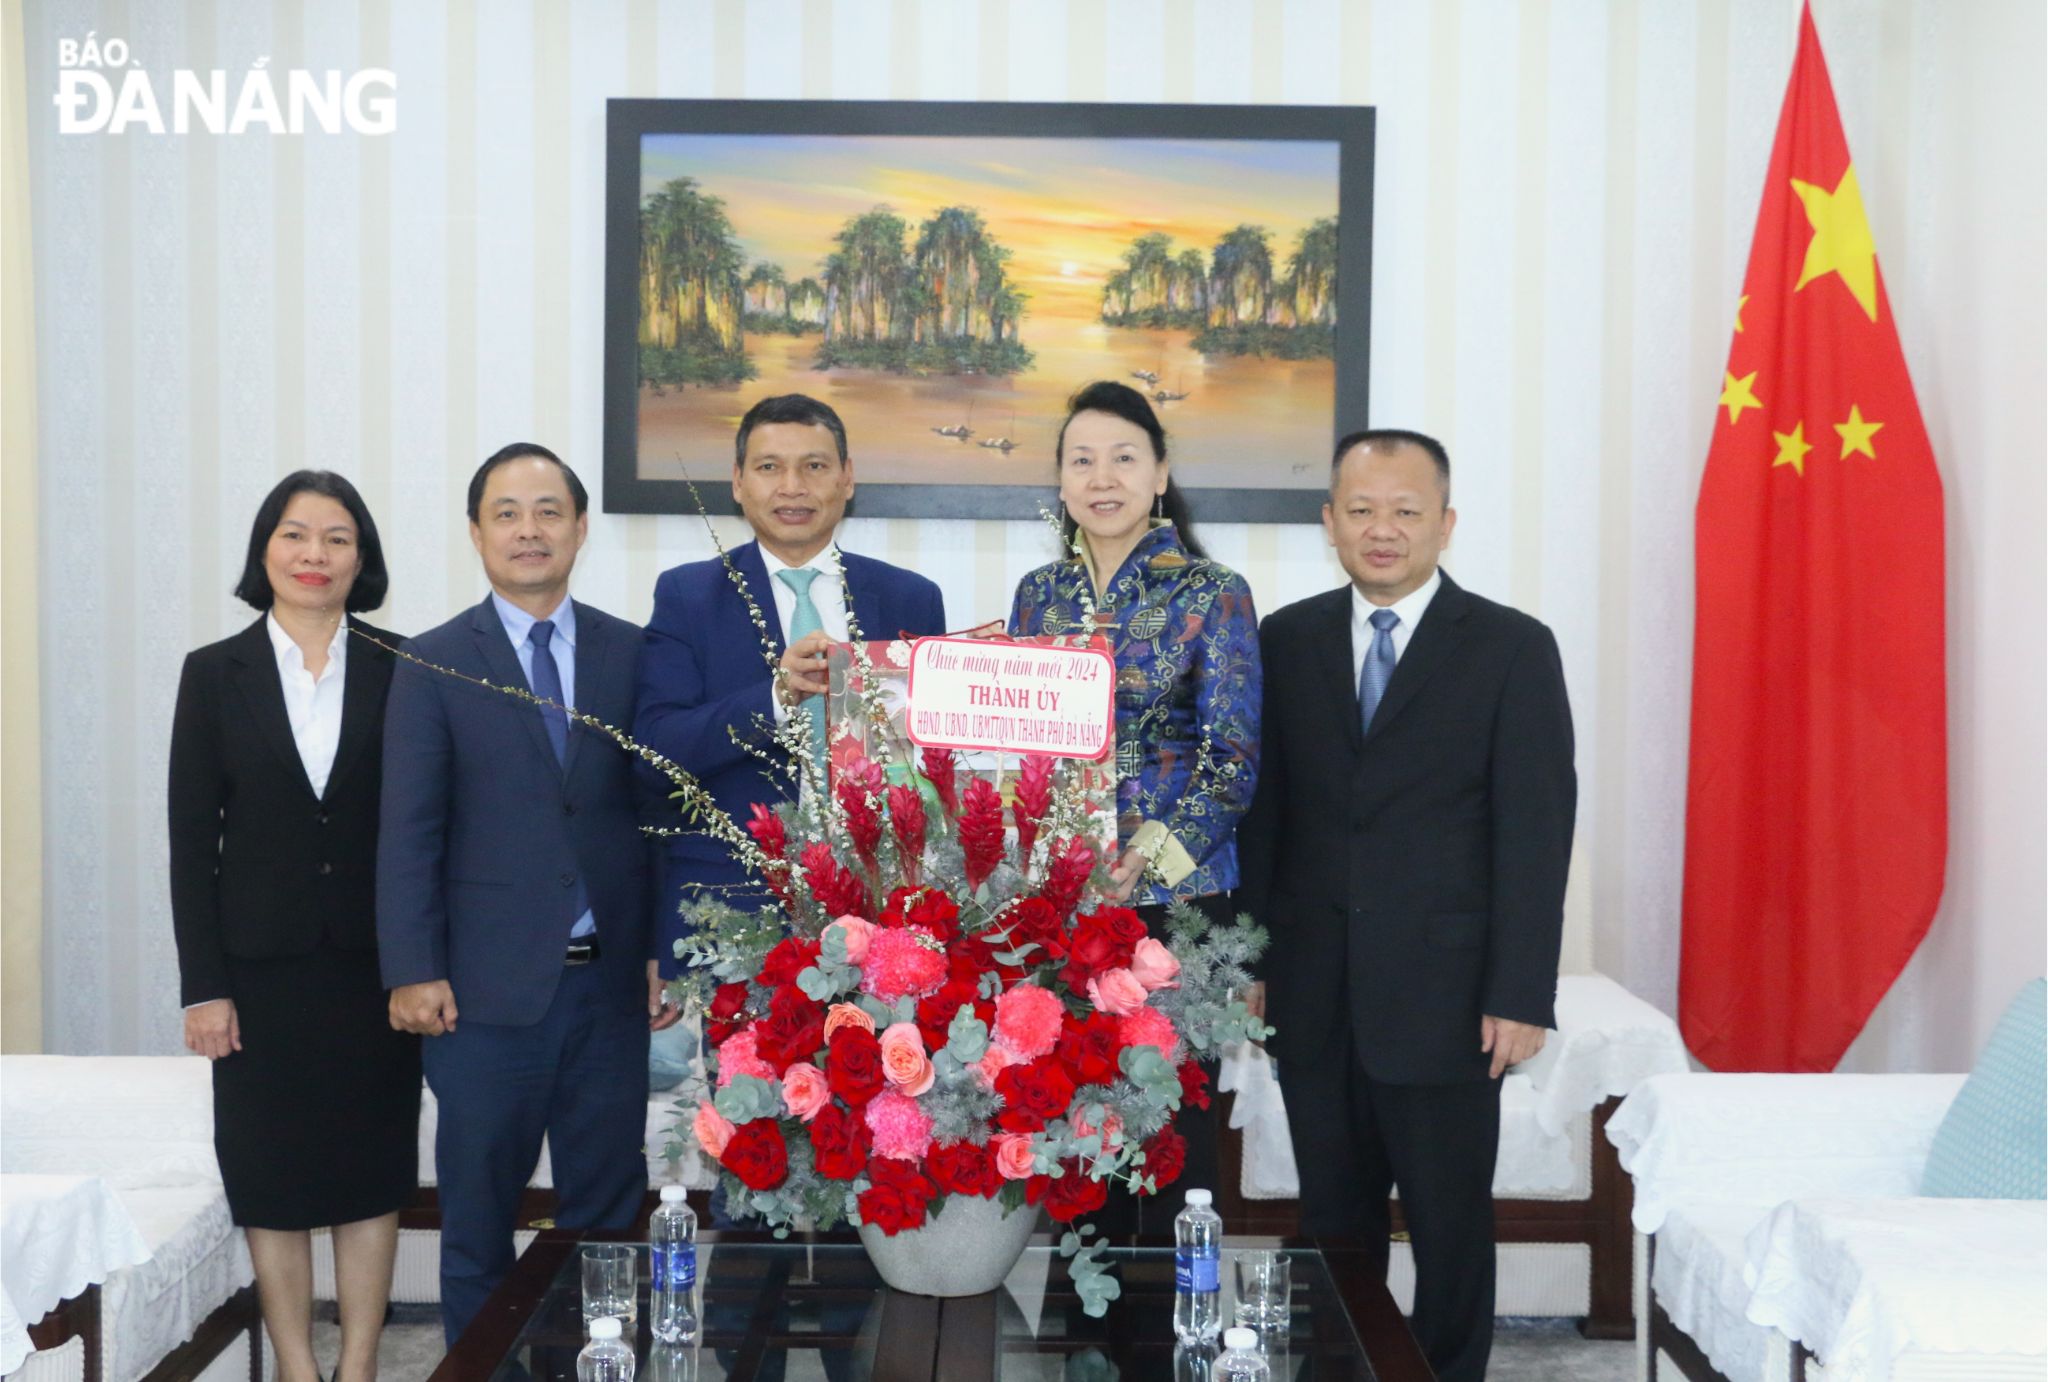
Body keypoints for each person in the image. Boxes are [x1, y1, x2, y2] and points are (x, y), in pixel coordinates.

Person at [1239, 429, 1576, 1382]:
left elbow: (1536, 832)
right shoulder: (1288, 638)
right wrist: (1251, 962)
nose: (1381, 530)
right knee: (1330, 1225)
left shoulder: (1512, 648)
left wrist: (1520, 991)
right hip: (1313, 992)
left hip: (1450, 1000)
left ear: (1446, 523)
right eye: (1361, 510)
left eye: (1405, 511)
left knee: (1450, 1229)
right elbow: (1266, 818)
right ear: (1329, 523)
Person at [377, 443, 679, 1346]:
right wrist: (414, 968)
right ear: (476, 533)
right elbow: (408, 832)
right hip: (479, 996)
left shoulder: (636, 655)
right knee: (476, 1221)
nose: (529, 530)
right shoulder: (431, 662)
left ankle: (603, 1362)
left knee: (603, 1217)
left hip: (609, 991)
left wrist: (664, 947)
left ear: (581, 528)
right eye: (506, 512)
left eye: (549, 511)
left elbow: (659, 816)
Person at [169, 471, 417, 1382]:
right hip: (257, 973)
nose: (315, 555)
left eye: (337, 538)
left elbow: (423, 826)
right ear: (264, 550)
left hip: (377, 969)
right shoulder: (213, 673)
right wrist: (205, 986)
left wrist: (424, 963)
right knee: (270, 1183)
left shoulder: (405, 665)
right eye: (295, 535)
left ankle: (357, 1366)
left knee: (370, 1173)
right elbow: (191, 845)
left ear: (363, 557)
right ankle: (296, 1368)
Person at [1008, 381, 1261, 1229]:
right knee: (1074, 1116)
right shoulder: (1038, 595)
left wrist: (1147, 857)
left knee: (1167, 1124)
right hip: (1068, 899)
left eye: (1124, 457)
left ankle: (1168, 1330)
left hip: (1175, 902)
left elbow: (1232, 761)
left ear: (1160, 474)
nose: (1102, 477)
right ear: (1061, 479)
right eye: (1081, 460)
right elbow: (1021, 747)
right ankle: (1087, 1337)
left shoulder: (1211, 589)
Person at [634, 393, 947, 963]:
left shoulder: (910, 598)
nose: (793, 486)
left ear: (847, 479)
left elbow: (933, 761)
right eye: (769, 467)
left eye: (815, 466)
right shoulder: (687, 596)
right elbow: (656, 752)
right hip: (735, 909)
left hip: (882, 909)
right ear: (737, 481)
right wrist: (776, 696)